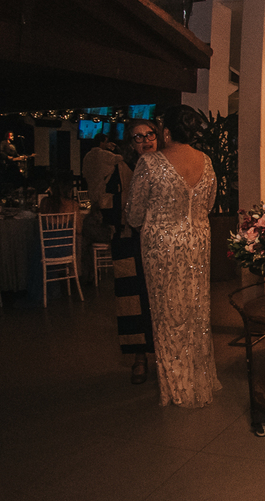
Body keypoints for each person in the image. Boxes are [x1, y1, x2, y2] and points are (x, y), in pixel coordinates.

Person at [125, 106, 219, 407]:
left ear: (166, 132)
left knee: (167, 314)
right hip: (198, 242)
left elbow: (134, 213)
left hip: (162, 246)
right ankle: (198, 376)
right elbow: (210, 202)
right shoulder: (206, 161)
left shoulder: (150, 163)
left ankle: (179, 385)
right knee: (196, 310)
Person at [109, 119, 162, 384]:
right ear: (130, 143)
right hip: (129, 242)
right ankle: (139, 359)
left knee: (161, 300)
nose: (145, 141)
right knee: (133, 302)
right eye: (137, 137)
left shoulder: (166, 164)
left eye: (149, 135)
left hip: (161, 243)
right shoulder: (122, 169)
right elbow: (109, 206)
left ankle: (165, 359)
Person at [82, 133, 124, 214]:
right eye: (106, 142)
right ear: (102, 143)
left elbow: (85, 174)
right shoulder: (104, 154)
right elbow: (121, 158)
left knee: (95, 215)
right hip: (103, 192)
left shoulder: (87, 156)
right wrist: (115, 148)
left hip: (91, 192)